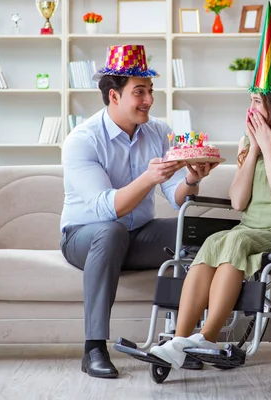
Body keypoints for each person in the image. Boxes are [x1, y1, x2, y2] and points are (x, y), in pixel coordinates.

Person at [149, 3, 271, 369]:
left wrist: (266, 146)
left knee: (233, 240)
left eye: (256, 101)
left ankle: (210, 337)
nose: (250, 109)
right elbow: (238, 203)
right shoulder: (250, 143)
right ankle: (179, 341)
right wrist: (251, 152)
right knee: (215, 240)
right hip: (253, 230)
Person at [60, 44, 217, 379]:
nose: (148, 100)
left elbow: (176, 197)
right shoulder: (82, 140)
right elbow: (107, 208)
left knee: (197, 233)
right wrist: (148, 177)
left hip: (138, 235)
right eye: (139, 92)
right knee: (110, 229)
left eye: (150, 91)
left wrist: (191, 178)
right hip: (84, 237)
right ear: (114, 96)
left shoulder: (158, 131)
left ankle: (180, 342)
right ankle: (94, 348)